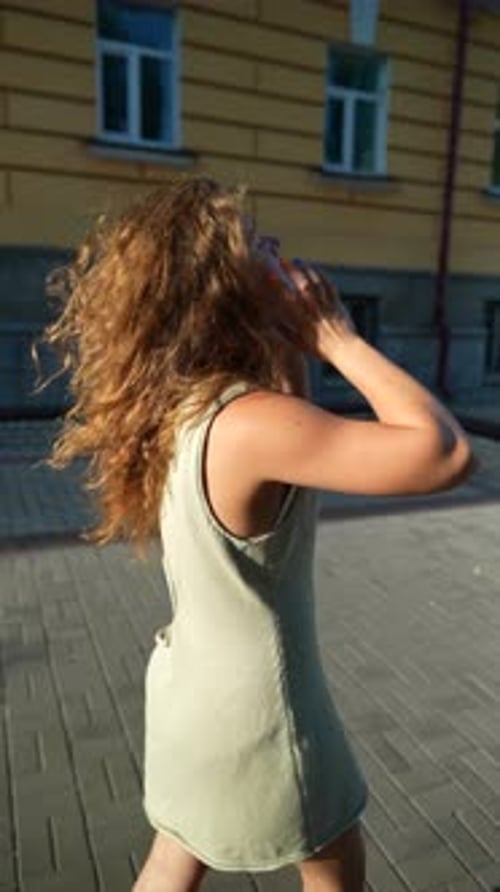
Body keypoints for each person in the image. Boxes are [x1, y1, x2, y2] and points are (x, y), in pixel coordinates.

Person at [37, 176, 475, 892]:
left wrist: (287, 339)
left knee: (174, 858)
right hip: (267, 717)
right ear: (223, 288)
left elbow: (288, 438)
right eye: (256, 245)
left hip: (189, 690)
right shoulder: (250, 424)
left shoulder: (181, 407)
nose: (278, 250)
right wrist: (338, 338)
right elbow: (446, 452)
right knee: (335, 876)